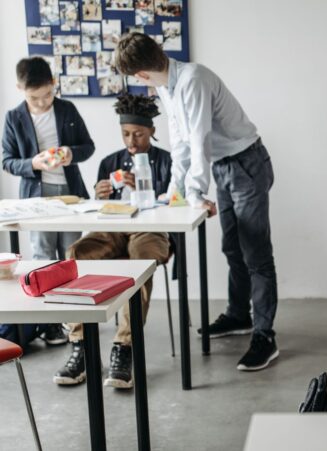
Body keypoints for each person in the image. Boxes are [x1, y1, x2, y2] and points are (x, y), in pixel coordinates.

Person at [114, 33, 279, 371]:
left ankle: (265, 336)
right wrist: (175, 192)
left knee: (256, 253)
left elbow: (199, 137)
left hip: (246, 163)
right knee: (232, 247)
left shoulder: (193, 79)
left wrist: (194, 192)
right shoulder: (166, 86)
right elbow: (181, 144)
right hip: (223, 166)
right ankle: (239, 316)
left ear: (140, 75)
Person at [53, 94, 172, 388]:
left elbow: (175, 202)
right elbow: (97, 211)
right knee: (76, 253)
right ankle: (80, 345)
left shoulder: (167, 161)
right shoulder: (110, 162)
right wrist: (101, 194)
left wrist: (148, 188)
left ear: (152, 131)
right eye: (126, 134)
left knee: (140, 264)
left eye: (138, 134)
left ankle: (124, 347)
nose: (131, 141)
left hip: (151, 229)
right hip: (113, 227)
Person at [2, 56, 95, 346]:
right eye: (35, 97)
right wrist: (33, 163)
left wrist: (70, 153)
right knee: (43, 258)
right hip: (36, 198)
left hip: (69, 195)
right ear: (20, 88)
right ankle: (50, 324)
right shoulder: (14, 117)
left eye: (47, 95)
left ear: (54, 85)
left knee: (70, 257)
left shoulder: (67, 109)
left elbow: (88, 146)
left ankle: (73, 322)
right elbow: (7, 161)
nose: (42, 102)